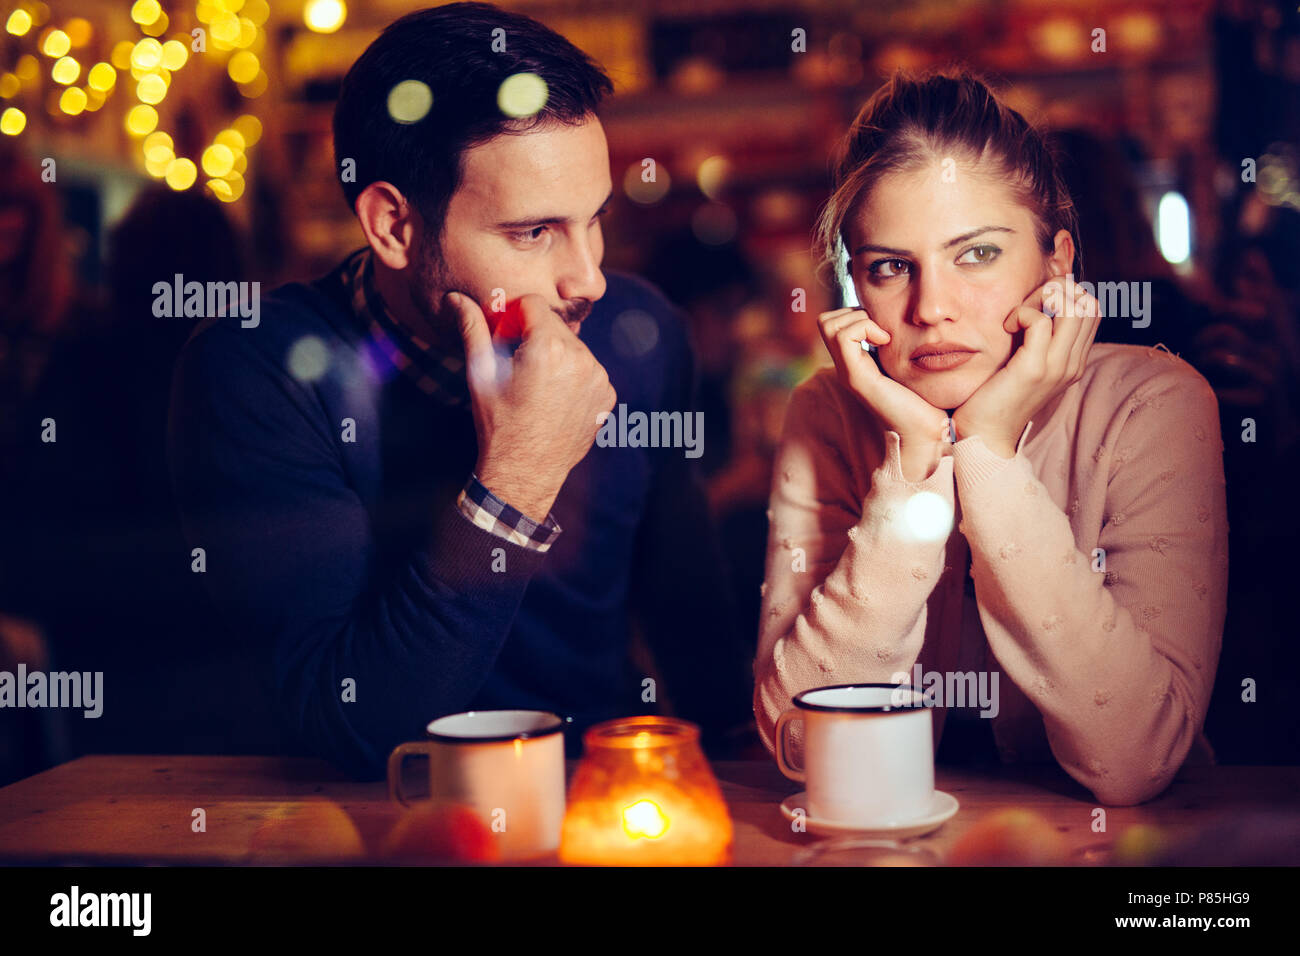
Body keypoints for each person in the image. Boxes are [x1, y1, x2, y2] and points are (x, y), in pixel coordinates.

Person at [168, 2, 753, 780]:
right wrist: (518, 477)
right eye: (534, 232)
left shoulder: (641, 332)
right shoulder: (260, 372)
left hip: (599, 815)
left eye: (595, 219)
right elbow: (343, 730)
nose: (589, 277)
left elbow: (699, 648)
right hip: (376, 831)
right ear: (395, 227)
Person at [753, 70, 1228, 807]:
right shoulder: (830, 413)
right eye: (890, 267)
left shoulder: (1153, 403)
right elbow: (799, 745)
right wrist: (910, 469)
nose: (932, 307)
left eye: (977, 254)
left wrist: (989, 452)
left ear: (1058, 262)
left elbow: (1136, 757)